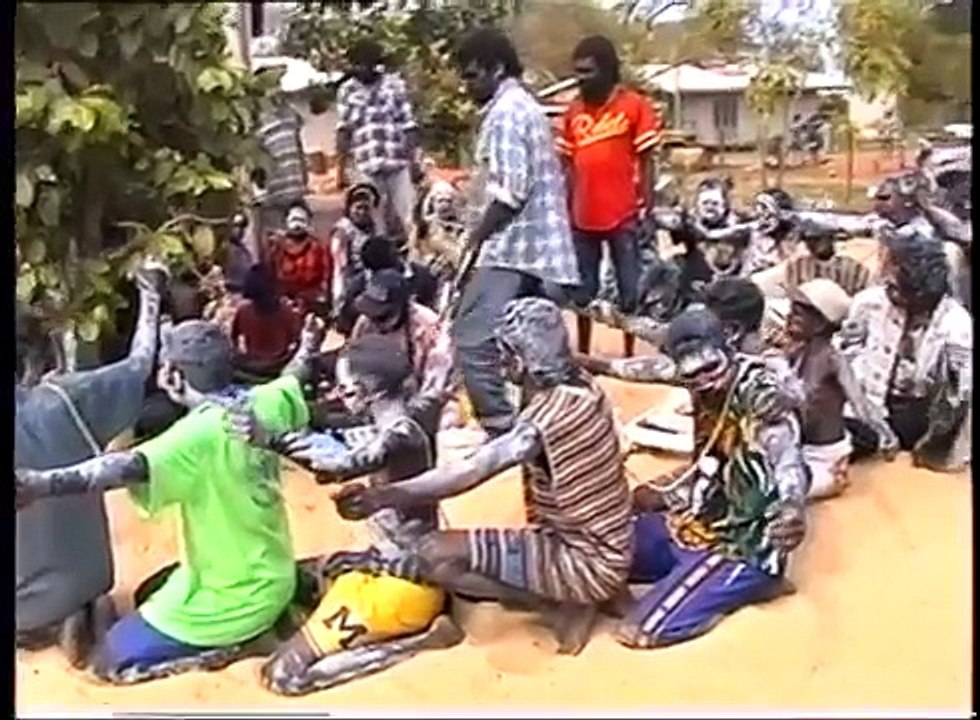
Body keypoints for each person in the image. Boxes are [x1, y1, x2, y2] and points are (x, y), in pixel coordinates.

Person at [15, 316, 324, 684]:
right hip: (272, 573)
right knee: (149, 591)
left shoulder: (189, 440)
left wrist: (42, 484)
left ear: (175, 377)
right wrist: (309, 343)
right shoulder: (266, 401)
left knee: (107, 663)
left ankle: (229, 650)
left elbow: (117, 469)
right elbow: (295, 376)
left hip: (237, 597)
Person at [333, 298, 633, 656]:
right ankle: (574, 588)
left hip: (588, 561)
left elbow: (472, 469)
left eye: (504, 353)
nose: (498, 362)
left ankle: (560, 597)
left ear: (521, 358)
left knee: (433, 556)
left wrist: (383, 497)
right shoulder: (583, 384)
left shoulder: (543, 422)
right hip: (613, 542)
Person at [231, 333, 462, 696]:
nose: (340, 394)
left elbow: (343, 462)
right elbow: (343, 446)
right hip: (378, 566)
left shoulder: (400, 434)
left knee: (282, 676)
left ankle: (419, 643)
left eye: (346, 387)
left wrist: (271, 437)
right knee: (288, 584)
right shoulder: (397, 422)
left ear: (365, 389)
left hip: (403, 584)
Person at [619, 307, 809, 649]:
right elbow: (642, 364)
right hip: (694, 524)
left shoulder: (759, 394)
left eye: (711, 368)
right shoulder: (695, 376)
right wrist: (584, 361)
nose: (705, 380)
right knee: (605, 546)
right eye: (693, 374)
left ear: (729, 348)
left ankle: (750, 585)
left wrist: (793, 507)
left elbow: (788, 459)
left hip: (742, 546)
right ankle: (687, 580)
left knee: (641, 632)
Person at [15, 262, 167, 669]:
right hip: (88, 582)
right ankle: (76, 612)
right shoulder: (66, 398)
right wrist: (150, 294)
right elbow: (140, 363)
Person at [451, 28, 579, 437]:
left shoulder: (506, 113)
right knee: (532, 346)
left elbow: (510, 192)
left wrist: (474, 239)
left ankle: (500, 428)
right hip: (538, 252)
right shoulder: (523, 106)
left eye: (472, 76)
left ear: (497, 68)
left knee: (471, 336)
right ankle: (556, 424)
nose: (466, 85)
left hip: (515, 251)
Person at [838, 230, 971, 472]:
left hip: (921, 417)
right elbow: (846, 355)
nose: (889, 292)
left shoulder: (957, 326)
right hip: (865, 408)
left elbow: (955, 398)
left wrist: (929, 447)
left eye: (897, 289)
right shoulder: (868, 303)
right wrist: (863, 411)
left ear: (921, 294)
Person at [556, 35, 662, 320]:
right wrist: (564, 214)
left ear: (606, 69)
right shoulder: (573, 112)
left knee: (632, 294)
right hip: (581, 218)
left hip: (624, 215)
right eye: (577, 72)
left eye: (587, 71)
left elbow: (647, 163)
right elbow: (566, 167)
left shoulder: (635, 106)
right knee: (581, 296)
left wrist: (649, 212)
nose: (581, 79)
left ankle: (632, 352)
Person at [785, 279, 899, 499]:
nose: (789, 317)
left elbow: (860, 403)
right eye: (791, 310)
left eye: (798, 314)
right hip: (799, 449)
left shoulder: (833, 360)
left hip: (825, 458)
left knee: (779, 493)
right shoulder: (794, 353)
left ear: (820, 323)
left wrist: (885, 433)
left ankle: (833, 479)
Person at [336, 39, 419, 237]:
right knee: (373, 221)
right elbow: (344, 131)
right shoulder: (347, 90)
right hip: (367, 166)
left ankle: (417, 261)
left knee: (411, 217)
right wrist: (340, 170)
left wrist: (414, 161)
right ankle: (379, 263)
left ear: (374, 64)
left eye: (365, 64)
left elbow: (408, 125)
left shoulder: (394, 85)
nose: (360, 68)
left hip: (397, 163)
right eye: (356, 64)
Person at [254, 71, 308, 256]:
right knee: (276, 248)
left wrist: (305, 174)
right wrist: (259, 191)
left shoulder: (290, 111)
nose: (275, 89)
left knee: (301, 245)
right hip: (272, 194)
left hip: (295, 189)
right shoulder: (255, 118)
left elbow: (298, 142)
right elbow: (252, 158)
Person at [231, 264, 304, 381]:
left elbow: (234, 339)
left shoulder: (243, 311)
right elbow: (297, 342)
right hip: (278, 365)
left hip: (252, 367)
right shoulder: (287, 313)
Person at [330, 183, 383, 333]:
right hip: (350, 279)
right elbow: (340, 265)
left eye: (366, 208)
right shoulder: (342, 230)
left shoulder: (373, 227)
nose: (362, 212)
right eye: (358, 208)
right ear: (349, 209)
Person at [268, 200, 332, 315]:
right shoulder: (276, 247)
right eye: (294, 219)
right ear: (286, 222)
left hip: (312, 306)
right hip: (282, 306)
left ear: (308, 222)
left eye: (301, 220)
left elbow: (326, 278)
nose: (297, 225)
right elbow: (269, 277)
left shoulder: (318, 248)